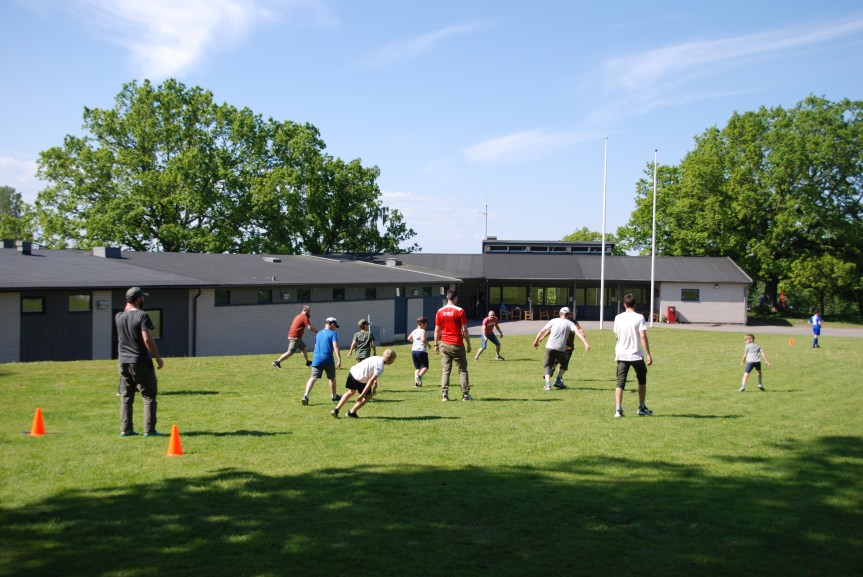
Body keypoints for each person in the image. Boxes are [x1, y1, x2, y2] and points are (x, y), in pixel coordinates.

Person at [116, 287, 165, 436]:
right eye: (142, 297)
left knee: (126, 396)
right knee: (149, 396)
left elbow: (126, 313)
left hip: (123, 361)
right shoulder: (142, 315)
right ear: (138, 299)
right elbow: (147, 339)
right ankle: (149, 430)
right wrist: (157, 357)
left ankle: (126, 429)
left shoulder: (119, 316)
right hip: (140, 361)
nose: (143, 300)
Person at [613, 294, 653, 418]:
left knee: (620, 383)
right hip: (636, 355)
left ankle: (618, 410)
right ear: (635, 304)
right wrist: (648, 354)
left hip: (622, 355)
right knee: (642, 381)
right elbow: (643, 336)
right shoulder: (639, 317)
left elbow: (616, 336)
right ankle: (641, 407)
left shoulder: (618, 318)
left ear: (624, 305)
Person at [533, 306, 590, 391]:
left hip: (550, 347)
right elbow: (578, 332)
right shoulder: (570, 323)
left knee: (547, 365)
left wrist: (536, 341)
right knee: (564, 362)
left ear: (559, 314)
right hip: (561, 348)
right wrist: (585, 343)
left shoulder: (554, 321)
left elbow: (542, 330)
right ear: (568, 314)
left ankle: (548, 385)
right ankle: (558, 379)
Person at [331, 349, 397, 418]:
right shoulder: (381, 367)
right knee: (368, 396)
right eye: (393, 360)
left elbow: (371, 370)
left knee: (351, 392)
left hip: (353, 372)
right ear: (389, 360)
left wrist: (375, 385)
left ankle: (336, 410)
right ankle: (351, 412)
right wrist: (362, 395)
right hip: (360, 378)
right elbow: (371, 381)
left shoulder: (376, 357)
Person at [434, 288, 473, 402]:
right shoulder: (460, 311)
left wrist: (436, 344)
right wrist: (468, 343)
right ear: (455, 297)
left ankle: (444, 395)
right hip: (457, 344)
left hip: (444, 344)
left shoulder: (440, 311)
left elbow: (437, 330)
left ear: (447, 297)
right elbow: (464, 330)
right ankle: (465, 395)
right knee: (462, 370)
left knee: (446, 370)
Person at [301, 317, 342, 405]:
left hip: (316, 359)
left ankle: (306, 395)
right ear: (332, 324)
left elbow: (316, 346)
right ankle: (334, 396)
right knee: (332, 378)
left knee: (313, 377)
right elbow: (335, 346)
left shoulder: (318, 333)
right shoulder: (333, 334)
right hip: (328, 359)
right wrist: (339, 359)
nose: (335, 328)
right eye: (335, 326)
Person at [549, 308, 587, 376]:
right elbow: (550, 330)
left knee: (564, 363)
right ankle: (553, 369)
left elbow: (579, 329)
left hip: (568, 347)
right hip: (559, 345)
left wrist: (582, 333)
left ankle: (559, 377)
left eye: (568, 314)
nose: (567, 315)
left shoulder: (573, 322)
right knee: (556, 361)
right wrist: (542, 337)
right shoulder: (559, 321)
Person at [407, 316, 430, 387]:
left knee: (417, 368)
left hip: (414, 350)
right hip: (421, 350)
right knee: (425, 367)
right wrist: (428, 345)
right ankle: (419, 376)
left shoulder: (414, 331)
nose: (426, 326)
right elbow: (423, 339)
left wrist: (415, 342)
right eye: (426, 324)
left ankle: (417, 384)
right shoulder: (422, 331)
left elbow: (409, 338)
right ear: (422, 324)